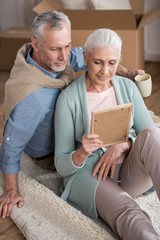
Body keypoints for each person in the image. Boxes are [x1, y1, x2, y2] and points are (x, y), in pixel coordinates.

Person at [0, 10, 144, 219]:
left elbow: (94, 57)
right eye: (56, 49)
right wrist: (11, 189)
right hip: (54, 153)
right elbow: (10, 146)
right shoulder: (31, 100)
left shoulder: (58, 56)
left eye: (67, 46)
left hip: (78, 128)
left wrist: (129, 73)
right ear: (36, 44)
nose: (64, 55)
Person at [54, 28, 160, 240]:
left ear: (118, 61)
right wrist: (82, 152)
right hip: (92, 176)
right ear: (85, 57)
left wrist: (124, 144)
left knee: (153, 135)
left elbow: (149, 136)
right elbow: (61, 165)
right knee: (129, 212)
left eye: (112, 63)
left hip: (129, 171)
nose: (105, 70)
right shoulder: (68, 100)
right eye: (98, 62)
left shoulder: (128, 87)